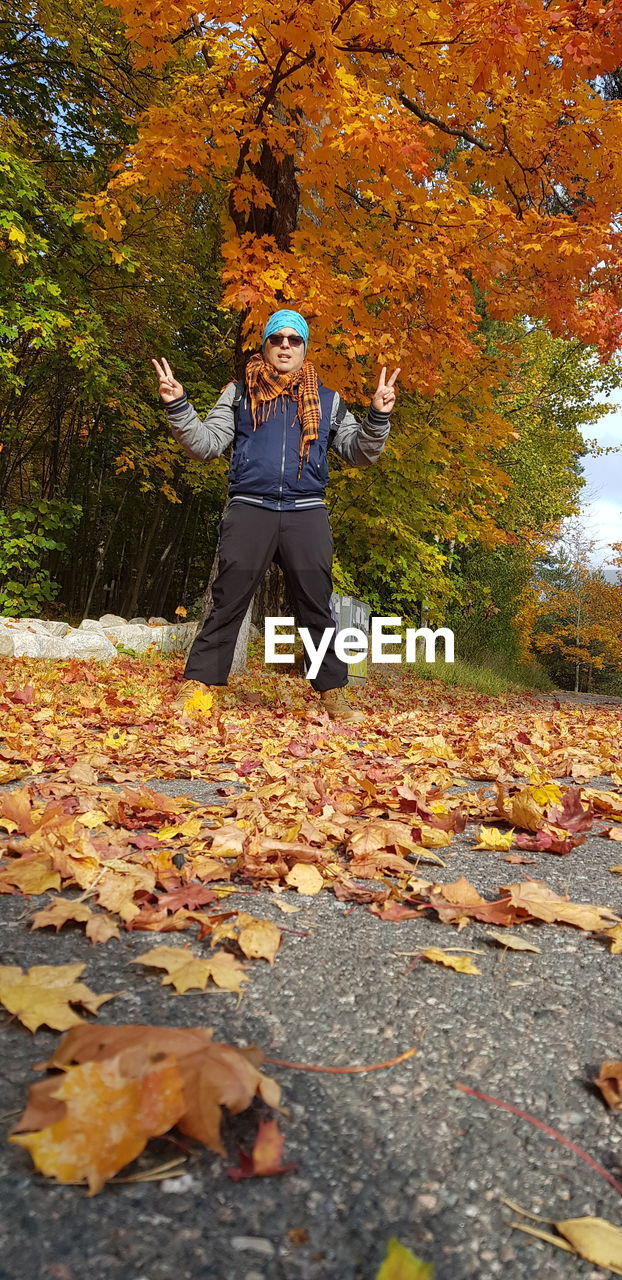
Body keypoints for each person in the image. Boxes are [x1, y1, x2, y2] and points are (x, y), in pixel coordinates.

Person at [151, 309, 400, 724]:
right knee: (227, 600)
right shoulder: (238, 393)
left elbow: (360, 452)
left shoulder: (328, 400)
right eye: (277, 338)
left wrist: (378, 416)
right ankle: (198, 687)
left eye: (294, 339)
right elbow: (206, 444)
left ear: (304, 348)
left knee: (317, 608)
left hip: (306, 512)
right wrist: (178, 406)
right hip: (250, 508)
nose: (285, 345)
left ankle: (334, 693)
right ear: (265, 346)